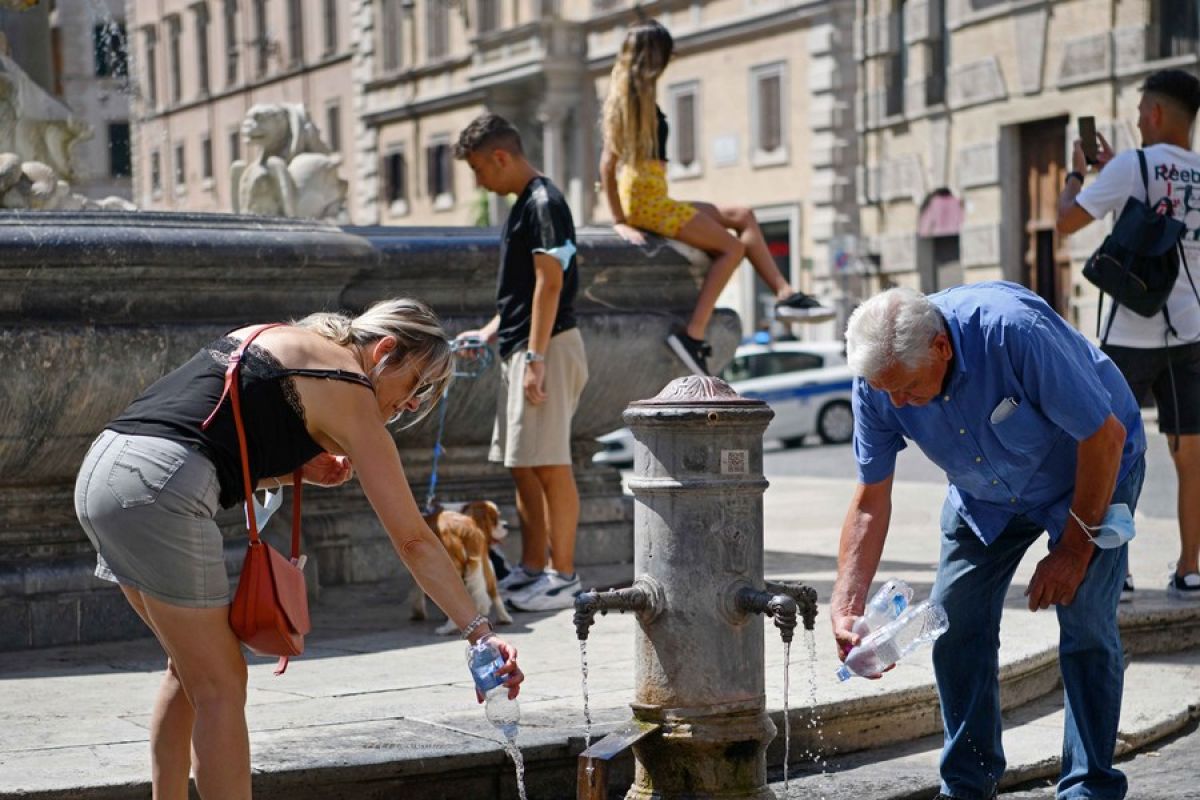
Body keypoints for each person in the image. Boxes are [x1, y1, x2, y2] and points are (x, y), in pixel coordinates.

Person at [73, 299, 524, 800]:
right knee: (221, 684)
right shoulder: (350, 386)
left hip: (105, 468)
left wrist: (291, 469)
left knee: (189, 669)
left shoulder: (279, 337)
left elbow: (208, 431)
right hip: (159, 487)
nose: (413, 404)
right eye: (417, 384)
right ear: (385, 350)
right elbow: (415, 538)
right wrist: (479, 633)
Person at [831, 283, 1145, 800]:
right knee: (953, 624)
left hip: (1092, 470)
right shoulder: (879, 381)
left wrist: (1072, 549)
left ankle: (1089, 787)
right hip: (984, 495)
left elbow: (1104, 437)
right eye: (885, 390)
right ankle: (968, 785)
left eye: (907, 389)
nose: (896, 403)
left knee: (1086, 621)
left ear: (942, 349)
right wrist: (847, 604)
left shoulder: (1012, 331)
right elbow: (870, 500)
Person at [598, 18, 832, 377]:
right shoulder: (628, 98)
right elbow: (606, 166)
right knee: (731, 249)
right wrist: (619, 222)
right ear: (653, 57)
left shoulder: (639, 94)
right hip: (644, 201)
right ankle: (692, 334)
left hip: (651, 194)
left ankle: (786, 296)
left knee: (742, 214)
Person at [1056, 68, 1200, 601]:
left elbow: (1067, 222)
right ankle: (1190, 569)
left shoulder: (1132, 167)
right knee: (1192, 456)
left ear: (1157, 114)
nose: (1139, 123)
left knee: (1112, 450)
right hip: (1193, 333)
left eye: (1142, 113)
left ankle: (1121, 573)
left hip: (1129, 337)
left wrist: (1077, 176)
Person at [453, 113, 589, 613]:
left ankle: (564, 576)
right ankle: (535, 570)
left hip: (546, 347)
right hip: (526, 345)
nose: (478, 181)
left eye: (478, 170)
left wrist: (534, 357)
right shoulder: (524, 205)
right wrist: (490, 332)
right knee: (523, 466)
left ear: (501, 157)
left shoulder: (544, 202)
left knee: (551, 466)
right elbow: (522, 290)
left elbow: (549, 284)